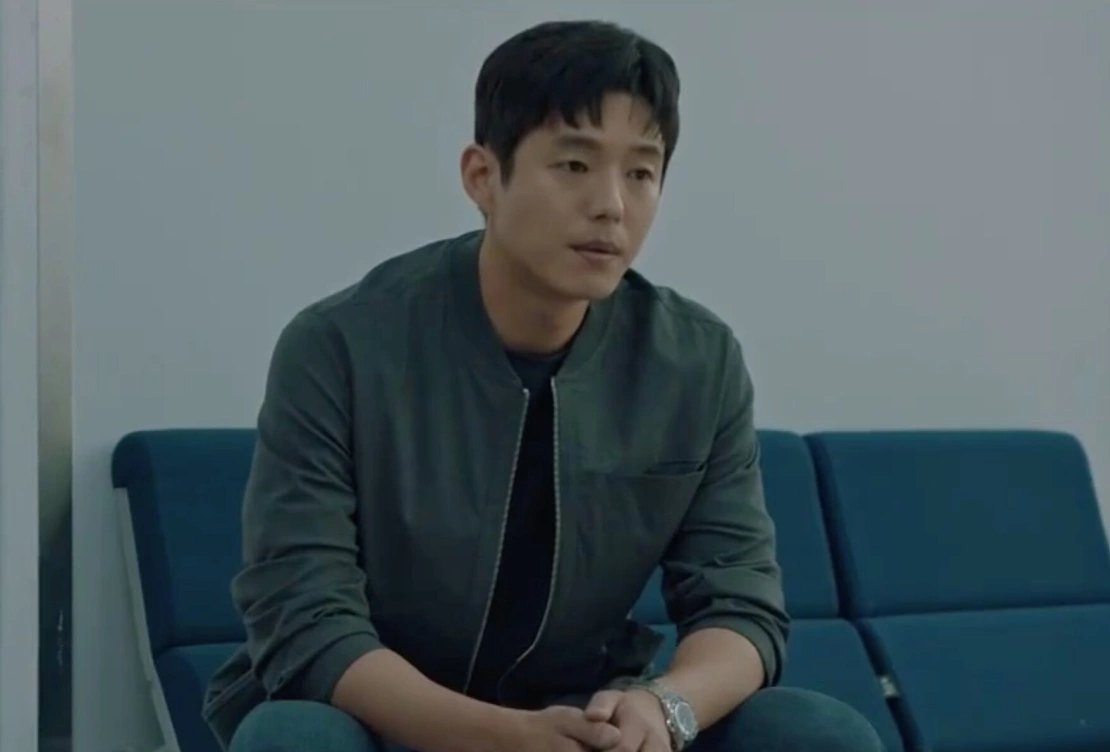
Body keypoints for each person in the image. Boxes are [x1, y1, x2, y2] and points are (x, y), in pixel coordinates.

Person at [203, 19, 883, 752]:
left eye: (641, 172)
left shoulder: (696, 363)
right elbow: (307, 620)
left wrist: (663, 708)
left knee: (816, 733)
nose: (612, 205)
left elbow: (740, 604)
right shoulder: (338, 347)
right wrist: (505, 739)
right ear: (482, 177)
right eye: (574, 164)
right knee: (291, 737)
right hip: (387, 721)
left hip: (585, 718)